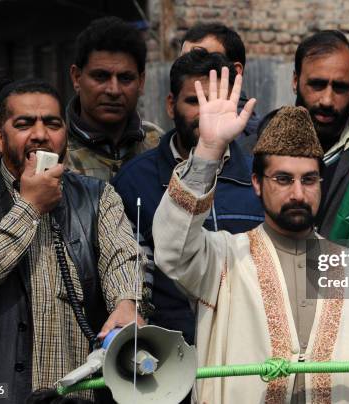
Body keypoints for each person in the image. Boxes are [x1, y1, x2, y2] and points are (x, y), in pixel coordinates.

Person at [152, 68, 349, 403]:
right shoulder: (222, 259)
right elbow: (171, 248)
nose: (297, 193)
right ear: (257, 183)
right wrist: (207, 151)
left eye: (308, 180)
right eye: (282, 179)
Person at [0, 79, 144, 403]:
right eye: (24, 124)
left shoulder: (98, 197)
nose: (40, 134)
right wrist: (30, 206)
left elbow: (124, 256)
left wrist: (127, 301)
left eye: (52, 123)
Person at [112, 49, 264, 344]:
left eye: (215, 102)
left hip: (247, 351)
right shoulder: (134, 180)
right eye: (194, 101)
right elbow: (129, 274)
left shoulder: (259, 177)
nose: (205, 113)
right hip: (167, 357)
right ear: (171, 105)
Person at [65, 16, 163, 181]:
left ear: (141, 81)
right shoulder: (55, 150)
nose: (114, 90)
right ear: (76, 77)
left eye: (125, 78)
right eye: (101, 76)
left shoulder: (157, 143)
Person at [291, 30, 349, 238]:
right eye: (317, 84)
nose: (327, 100)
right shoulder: (254, 153)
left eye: (340, 87)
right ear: (295, 81)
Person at [181, 22, 259, 154]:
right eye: (182, 61)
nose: (188, 70)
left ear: (235, 71)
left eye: (201, 60)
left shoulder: (260, 140)